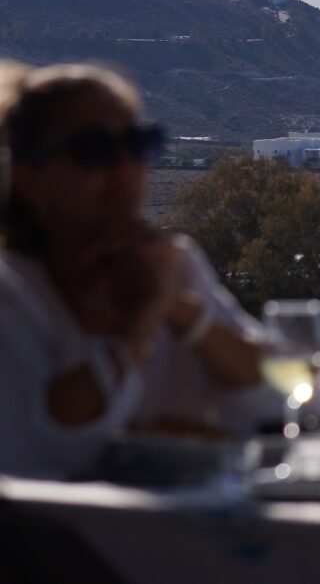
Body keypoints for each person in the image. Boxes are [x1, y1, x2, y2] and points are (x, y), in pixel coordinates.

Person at [0, 61, 269, 478]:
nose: (127, 169)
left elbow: (280, 395)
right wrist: (143, 320)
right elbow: (50, 443)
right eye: (95, 150)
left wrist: (180, 310)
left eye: (139, 144)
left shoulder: (171, 261)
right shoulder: (13, 291)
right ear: (28, 178)